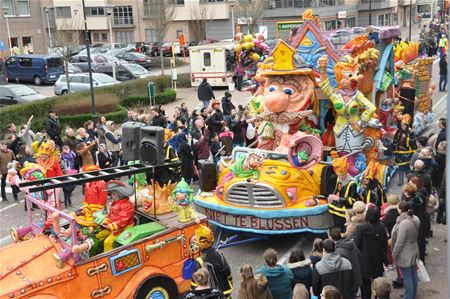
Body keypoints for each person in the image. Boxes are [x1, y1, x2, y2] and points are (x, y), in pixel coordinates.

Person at [353, 205, 388, 299]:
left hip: (364, 261)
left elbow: (355, 245)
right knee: (379, 285)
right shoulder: (381, 227)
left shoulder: (361, 228)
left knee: (365, 287)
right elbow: (384, 244)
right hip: (377, 260)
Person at [192, 226, 233, 298]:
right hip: (225, 290)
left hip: (212, 294)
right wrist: (230, 282)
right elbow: (227, 271)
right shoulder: (219, 254)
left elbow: (195, 283)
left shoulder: (199, 261)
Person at [391, 201, 420, 299]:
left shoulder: (403, 223)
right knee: (413, 274)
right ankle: (412, 294)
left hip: (405, 253)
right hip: (414, 249)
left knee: (407, 276)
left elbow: (400, 242)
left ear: (400, 210)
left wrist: (394, 254)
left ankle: (408, 296)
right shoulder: (415, 218)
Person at [328, 227, 362, 298]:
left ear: (330, 238)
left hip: (349, 283)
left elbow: (343, 274)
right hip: (357, 276)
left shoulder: (338, 252)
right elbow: (359, 255)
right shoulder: (350, 242)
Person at [393, 115, 416, 186]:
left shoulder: (410, 132)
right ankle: (401, 180)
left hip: (407, 153)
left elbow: (413, 142)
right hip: (399, 153)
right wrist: (394, 148)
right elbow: (395, 140)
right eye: (401, 125)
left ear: (406, 125)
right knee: (400, 166)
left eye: (403, 125)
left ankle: (409, 180)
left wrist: (407, 139)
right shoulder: (398, 132)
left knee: (406, 167)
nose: (402, 126)